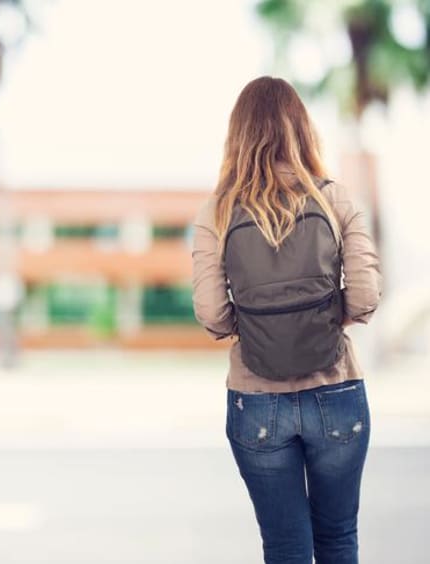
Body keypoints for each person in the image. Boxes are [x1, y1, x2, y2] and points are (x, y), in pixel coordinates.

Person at [191, 76, 383, 564]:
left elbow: (211, 313)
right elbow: (365, 297)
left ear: (238, 135)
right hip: (337, 390)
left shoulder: (218, 210)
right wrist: (325, 314)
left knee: (284, 547)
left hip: (256, 402)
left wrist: (252, 323)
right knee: (338, 538)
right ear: (302, 129)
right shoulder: (333, 199)